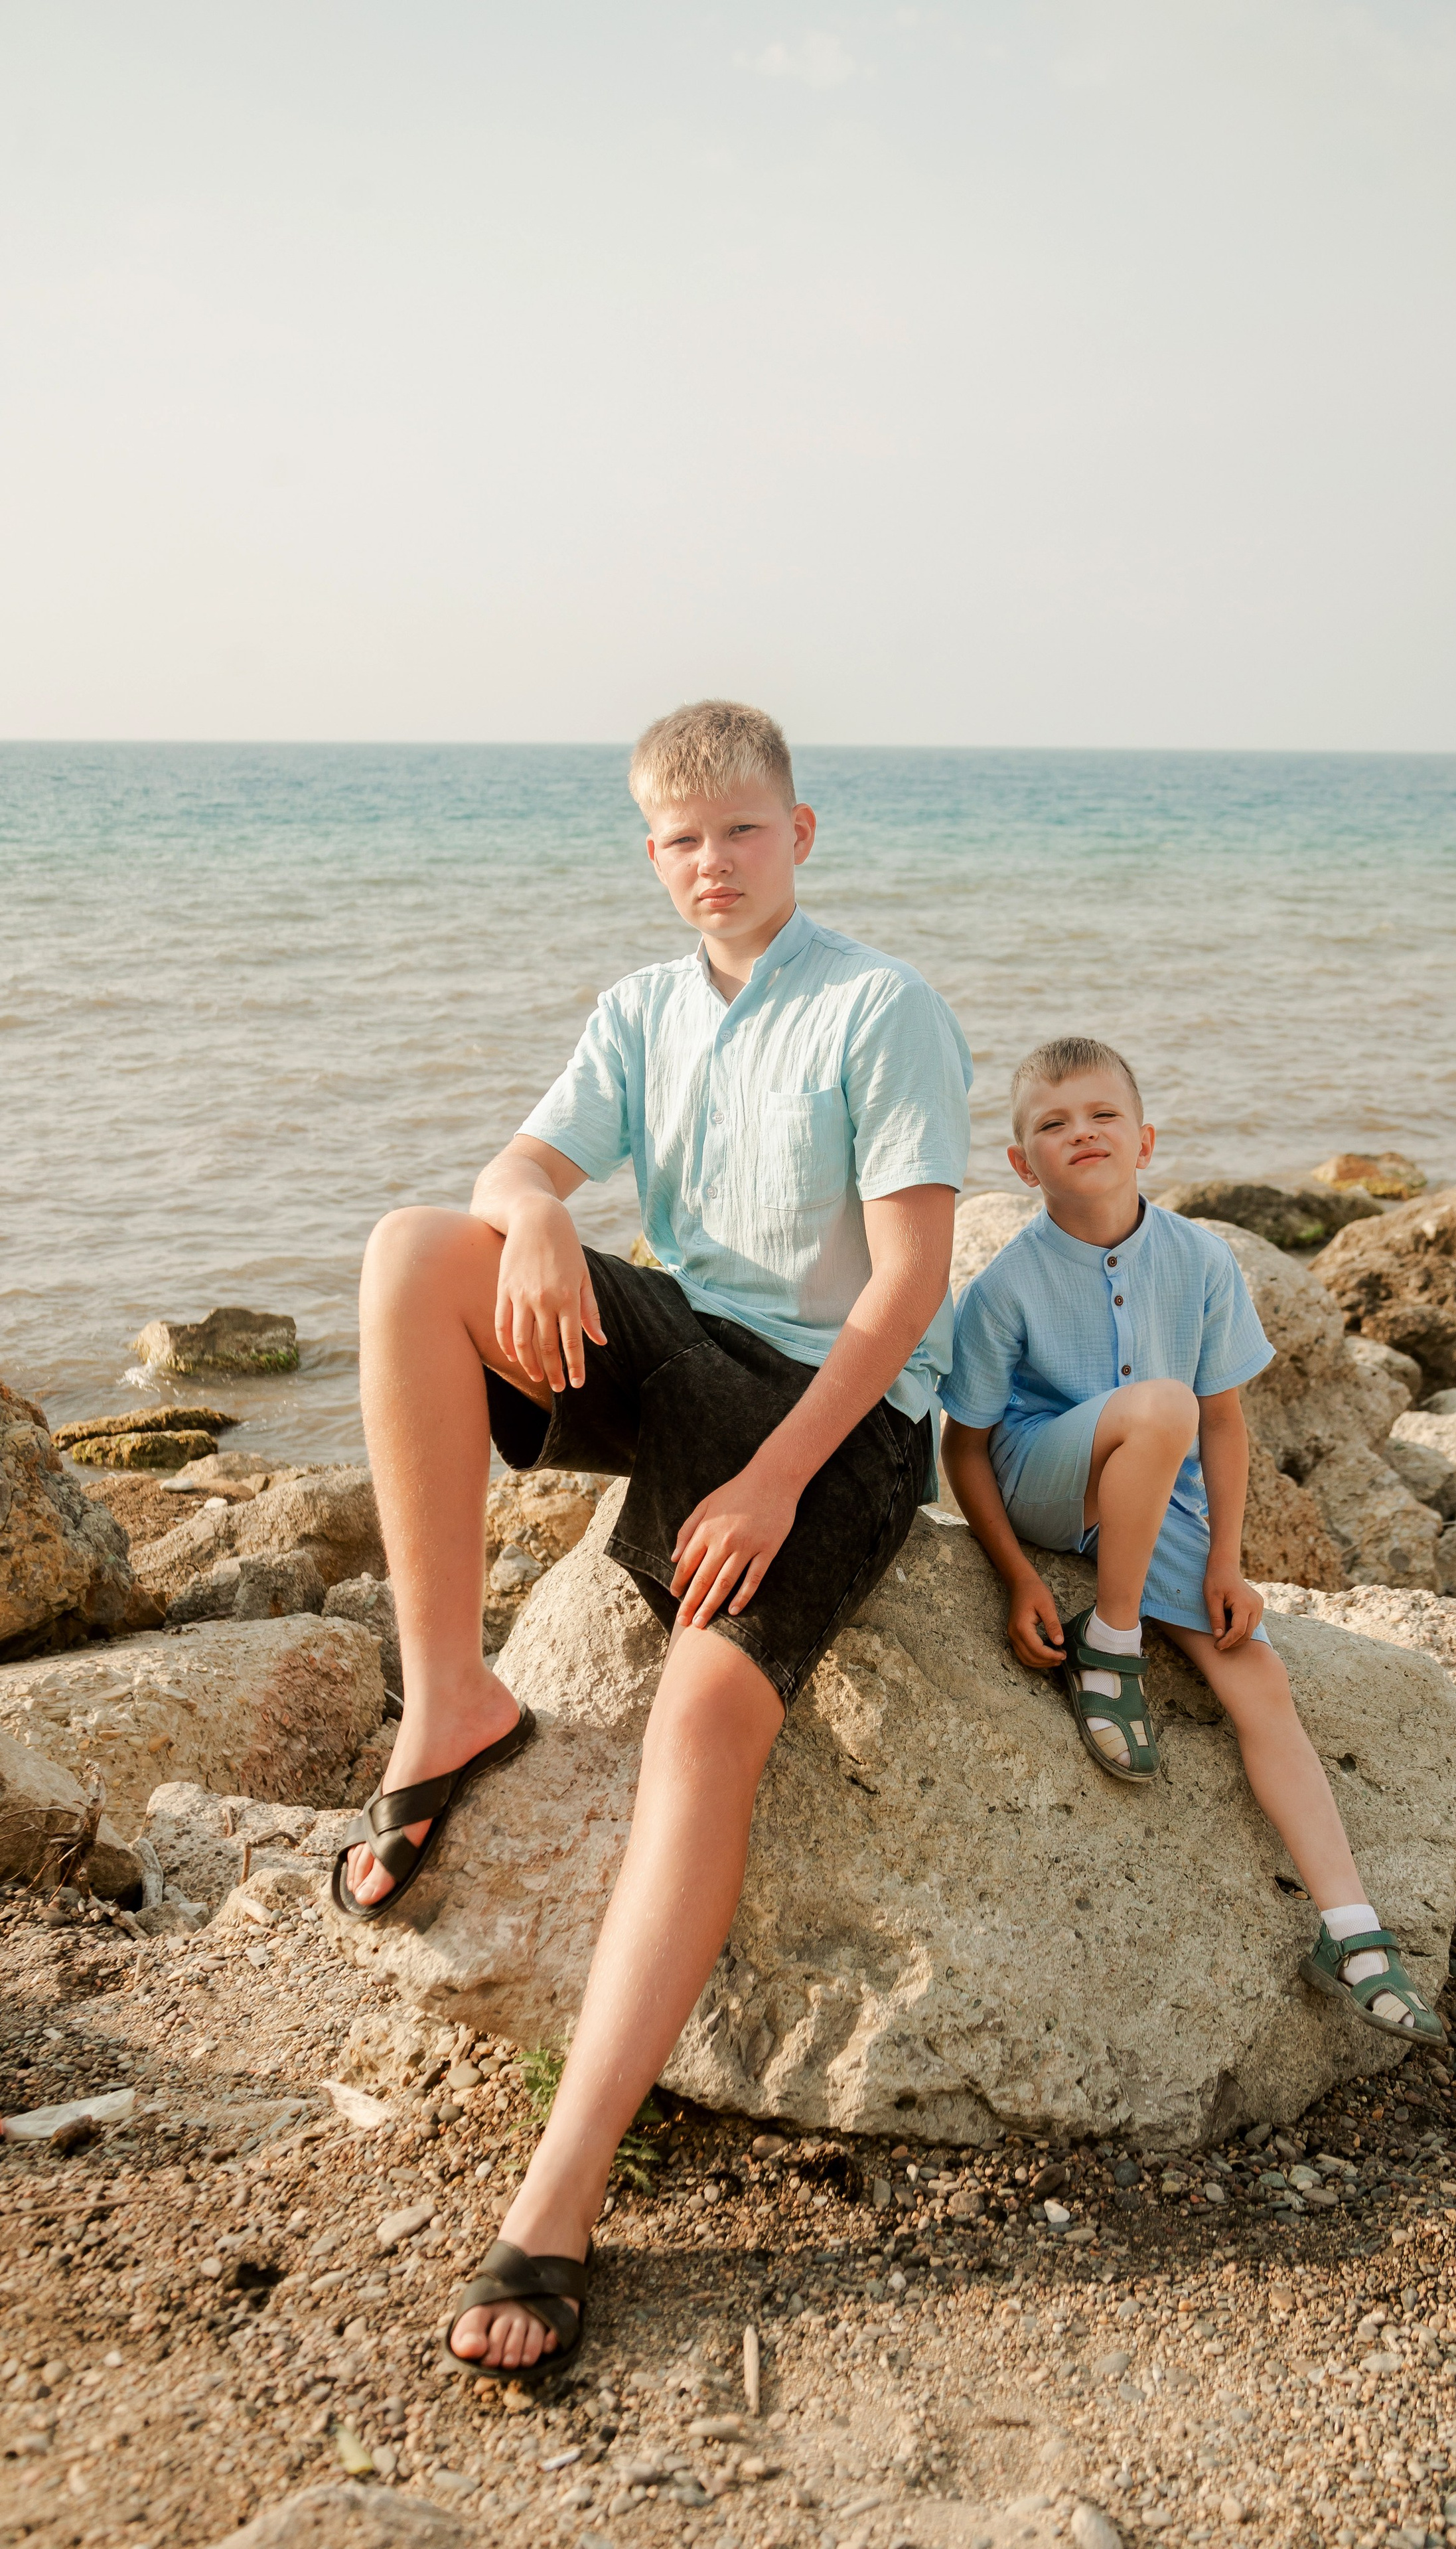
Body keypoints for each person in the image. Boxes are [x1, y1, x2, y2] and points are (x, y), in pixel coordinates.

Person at [332, 700, 972, 2379]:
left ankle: (557, 2201)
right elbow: (514, 1160)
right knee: (419, 1250)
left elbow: (911, 1286)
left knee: (699, 1718)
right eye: (681, 842)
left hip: (841, 1419)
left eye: (741, 833)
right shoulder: (637, 1011)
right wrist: (535, 1207)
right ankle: (445, 1698)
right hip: (686, 1349)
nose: (713, 865)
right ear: (651, 854)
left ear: (800, 833)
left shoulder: (878, 1007)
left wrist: (769, 1482)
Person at [939, 1035, 1445, 2051]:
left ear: (1145, 1139)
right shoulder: (1003, 1286)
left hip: (1157, 1489)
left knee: (1257, 1677)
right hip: (1049, 1476)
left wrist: (1228, 1561)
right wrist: (1016, 1577)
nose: (1079, 1132)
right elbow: (965, 1449)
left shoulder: (1201, 1258)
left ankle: (1349, 1930)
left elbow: (1225, 1421)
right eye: (1051, 1124)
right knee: (1157, 1402)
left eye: (1101, 1116)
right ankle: (1110, 1645)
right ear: (1018, 1162)